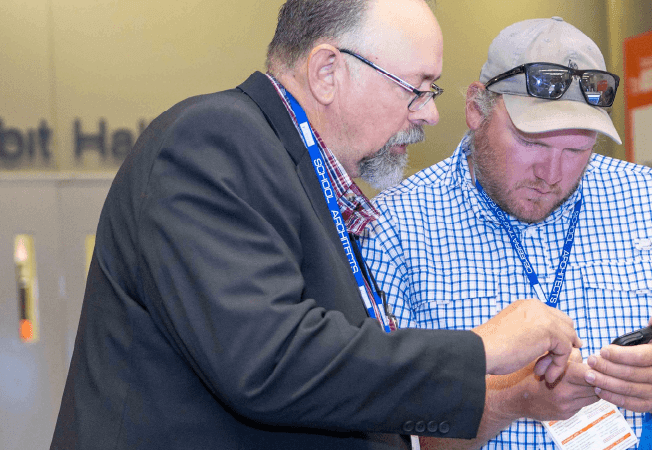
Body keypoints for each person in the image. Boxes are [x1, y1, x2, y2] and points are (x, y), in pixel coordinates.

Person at [50, 2, 584, 449]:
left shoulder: (306, 177)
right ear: (328, 71)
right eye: (416, 88)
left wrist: (513, 398)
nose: (428, 115)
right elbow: (271, 360)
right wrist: (484, 347)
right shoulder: (214, 141)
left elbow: (344, 383)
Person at [361, 17, 652, 449]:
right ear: (476, 108)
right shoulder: (393, 227)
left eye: (577, 149)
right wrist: (511, 400)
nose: (551, 175)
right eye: (531, 142)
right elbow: (381, 430)